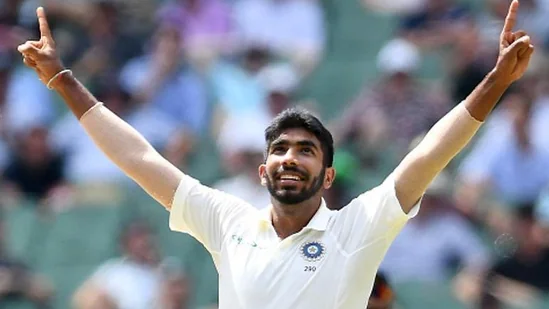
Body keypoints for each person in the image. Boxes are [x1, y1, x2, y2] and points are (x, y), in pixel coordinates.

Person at [17, 2, 534, 308]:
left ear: (328, 175)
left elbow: (430, 154)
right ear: (262, 170)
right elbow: (139, 158)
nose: (291, 157)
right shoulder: (227, 220)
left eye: (306, 150)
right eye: (280, 149)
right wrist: (64, 83)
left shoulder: (359, 227)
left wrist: (496, 81)